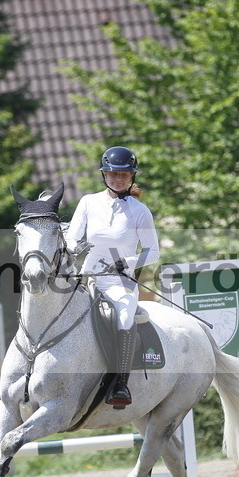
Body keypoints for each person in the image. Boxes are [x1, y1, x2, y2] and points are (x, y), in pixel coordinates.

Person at [65, 146, 160, 408]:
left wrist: (126, 262)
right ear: (104, 175)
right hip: (87, 277)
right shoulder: (87, 202)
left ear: (131, 177)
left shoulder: (140, 211)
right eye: (113, 174)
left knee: (125, 315)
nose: (118, 179)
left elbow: (153, 251)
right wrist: (73, 249)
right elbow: (73, 238)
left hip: (119, 282)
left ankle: (120, 383)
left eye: (124, 175)